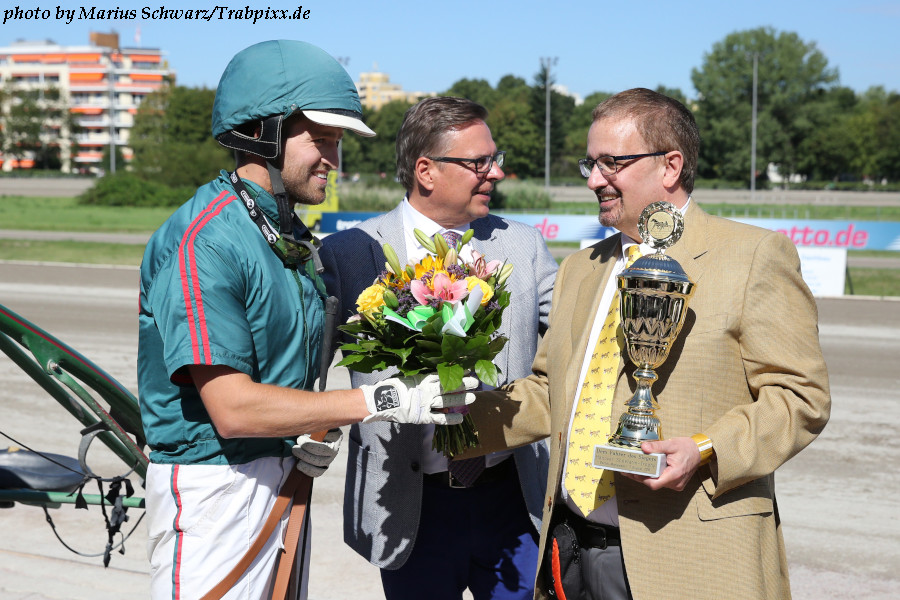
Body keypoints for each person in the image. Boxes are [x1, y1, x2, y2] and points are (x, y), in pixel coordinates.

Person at [137, 41, 475, 600]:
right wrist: (377, 402)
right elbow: (234, 408)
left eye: (337, 144)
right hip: (213, 491)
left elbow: (288, 376)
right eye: (322, 141)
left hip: (283, 475)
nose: (334, 162)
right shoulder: (207, 241)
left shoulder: (287, 237)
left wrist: (305, 428)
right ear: (261, 131)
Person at [463, 88, 831, 599]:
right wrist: (447, 423)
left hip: (690, 559)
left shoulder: (753, 257)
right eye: (589, 164)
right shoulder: (580, 269)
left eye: (611, 163)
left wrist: (703, 450)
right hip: (570, 551)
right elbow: (550, 394)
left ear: (671, 165)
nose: (594, 180)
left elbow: (800, 398)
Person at [319, 96, 558, 600]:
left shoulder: (523, 245)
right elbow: (306, 373)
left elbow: (574, 339)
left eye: (494, 159)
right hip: (408, 504)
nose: (494, 174)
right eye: (478, 163)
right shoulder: (350, 251)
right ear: (425, 171)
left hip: (510, 500)